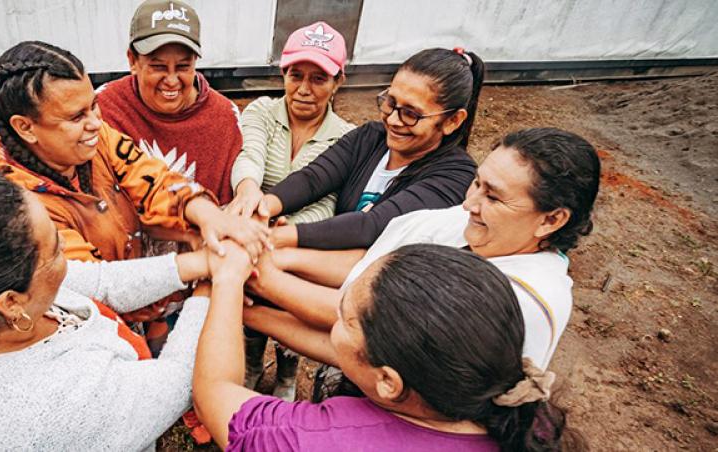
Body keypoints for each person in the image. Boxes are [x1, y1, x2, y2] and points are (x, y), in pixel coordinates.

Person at [0, 174, 246, 451]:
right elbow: (181, 378)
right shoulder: (56, 409)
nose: (67, 252)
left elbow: (98, 282)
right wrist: (215, 284)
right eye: (55, 248)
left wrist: (196, 264)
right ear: (10, 303)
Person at [250, 128, 602, 374]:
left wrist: (255, 278)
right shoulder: (470, 223)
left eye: (493, 197)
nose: (469, 203)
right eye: (476, 183)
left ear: (551, 219)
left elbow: (360, 326)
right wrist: (278, 257)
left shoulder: (520, 301)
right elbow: (371, 265)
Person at [0, 41, 269, 327]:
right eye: (76, 116)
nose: (95, 123)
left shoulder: (94, 138)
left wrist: (208, 215)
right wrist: (205, 264)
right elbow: (99, 285)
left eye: (94, 105)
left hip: (140, 310)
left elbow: (151, 178)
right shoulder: (16, 210)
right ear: (25, 127)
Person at [194, 243, 584, 451]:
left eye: (344, 317)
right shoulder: (521, 417)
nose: (336, 317)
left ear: (389, 382)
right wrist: (250, 313)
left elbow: (215, 391)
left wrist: (227, 280)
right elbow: (350, 354)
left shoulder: (313, 440)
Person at [224, 21, 356, 401]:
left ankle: (286, 373)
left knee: (292, 308)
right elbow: (250, 155)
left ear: (338, 81)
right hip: (254, 230)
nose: (304, 89)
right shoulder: (262, 112)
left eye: (319, 78)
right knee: (252, 299)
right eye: (296, 75)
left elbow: (327, 201)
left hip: (301, 243)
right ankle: (252, 365)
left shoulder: (346, 136)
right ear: (283, 73)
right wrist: (248, 190)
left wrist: (286, 230)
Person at [246, 48, 485, 250]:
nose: (393, 120)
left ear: (452, 121)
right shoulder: (371, 137)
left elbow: (372, 226)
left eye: (411, 114)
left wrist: (275, 237)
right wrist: (262, 208)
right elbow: (313, 179)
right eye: (390, 103)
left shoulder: (456, 176)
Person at [96, 0, 242, 204]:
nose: (172, 81)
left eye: (183, 67)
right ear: (132, 61)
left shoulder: (226, 117)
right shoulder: (103, 107)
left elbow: (232, 204)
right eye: (158, 67)